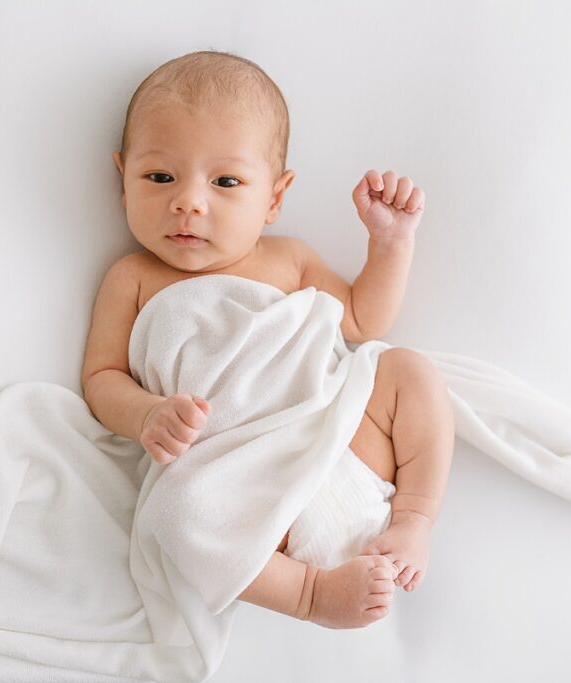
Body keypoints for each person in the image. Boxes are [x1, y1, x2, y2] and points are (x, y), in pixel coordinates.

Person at [80, 50, 455, 630]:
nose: (189, 201)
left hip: (341, 436)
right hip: (244, 486)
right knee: (176, 515)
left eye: (226, 181)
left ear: (274, 198)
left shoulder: (287, 259)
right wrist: (146, 414)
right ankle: (310, 594)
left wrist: (390, 246)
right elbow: (102, 378)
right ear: (122, 178)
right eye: (159, 177)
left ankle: (414, 519)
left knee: (408, 371)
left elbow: (362, 319)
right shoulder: (131, 280)